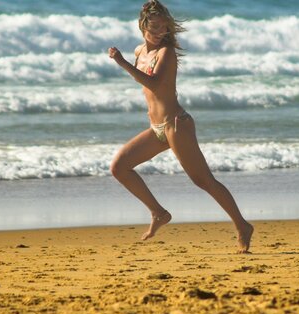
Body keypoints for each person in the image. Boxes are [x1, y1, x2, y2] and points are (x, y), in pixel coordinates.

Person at [108, 0, 253, 253]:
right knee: (119, 167)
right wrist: (128, 60)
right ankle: (158, 212)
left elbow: (153, 84)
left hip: (177, 125)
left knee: (203, 181)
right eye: (154, 28)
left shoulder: (167, 52)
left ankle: (242, 226)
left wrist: (122, 63)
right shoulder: (140, 51)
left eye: (164, 28)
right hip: (157, 130)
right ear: (143, 26)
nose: (160, 33)